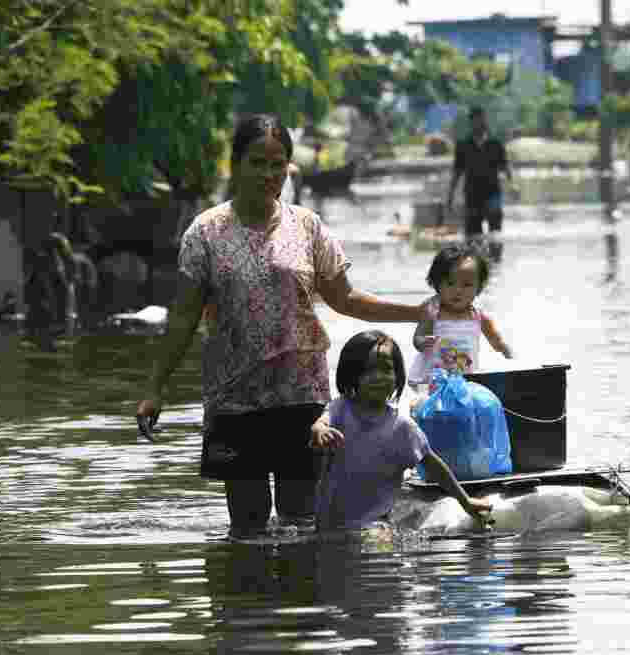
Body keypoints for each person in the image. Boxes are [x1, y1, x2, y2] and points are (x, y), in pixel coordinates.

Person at [135, 113, 428, 539]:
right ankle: (250, 605)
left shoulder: (307, 226)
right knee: (248, 527)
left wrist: (417, 312)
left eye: (278, 164)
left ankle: (296, 604)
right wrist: (155, 389)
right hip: (235, 399)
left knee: (301, 523)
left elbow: (346, 298)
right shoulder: (206, 233)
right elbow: (183, 318)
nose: (269, 174)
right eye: (257, 162)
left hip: (302, 399)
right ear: (235, 164)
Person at [311, 330, 494, 530]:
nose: (378, 377)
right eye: (368, 370)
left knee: (376, 543)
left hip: (375, 523)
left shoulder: (402, 427)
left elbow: (433, 465)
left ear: (398, 375)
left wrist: (465, 501)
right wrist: (320, 430)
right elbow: (322, 422)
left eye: (386, 369)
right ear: (351, 375)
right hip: (329, 523)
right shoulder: (341, 409)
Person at [409, 240, 513, 390]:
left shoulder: (478, 317)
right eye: (450, 283)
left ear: (479, 288)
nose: (458, 291)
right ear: (437, 283)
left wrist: (510, 356)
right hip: (431, 379)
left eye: (467, 285)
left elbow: (498, 343)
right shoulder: (433, 310)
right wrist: (422, 342)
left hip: (465, 379)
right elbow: (418, 337)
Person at [446, 106, 513, 238]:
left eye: (482, 120)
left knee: (495, 233)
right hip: (472, 194)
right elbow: (457, 172)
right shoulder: (463, 146)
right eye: (476, 120)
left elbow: (505, 167)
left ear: (486, 121)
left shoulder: (495, 144)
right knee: (473, 236)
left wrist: (513, 185)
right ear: (471, 123)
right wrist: (450, 196)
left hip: (493, 192)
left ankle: (495, 257)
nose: (480, 123)